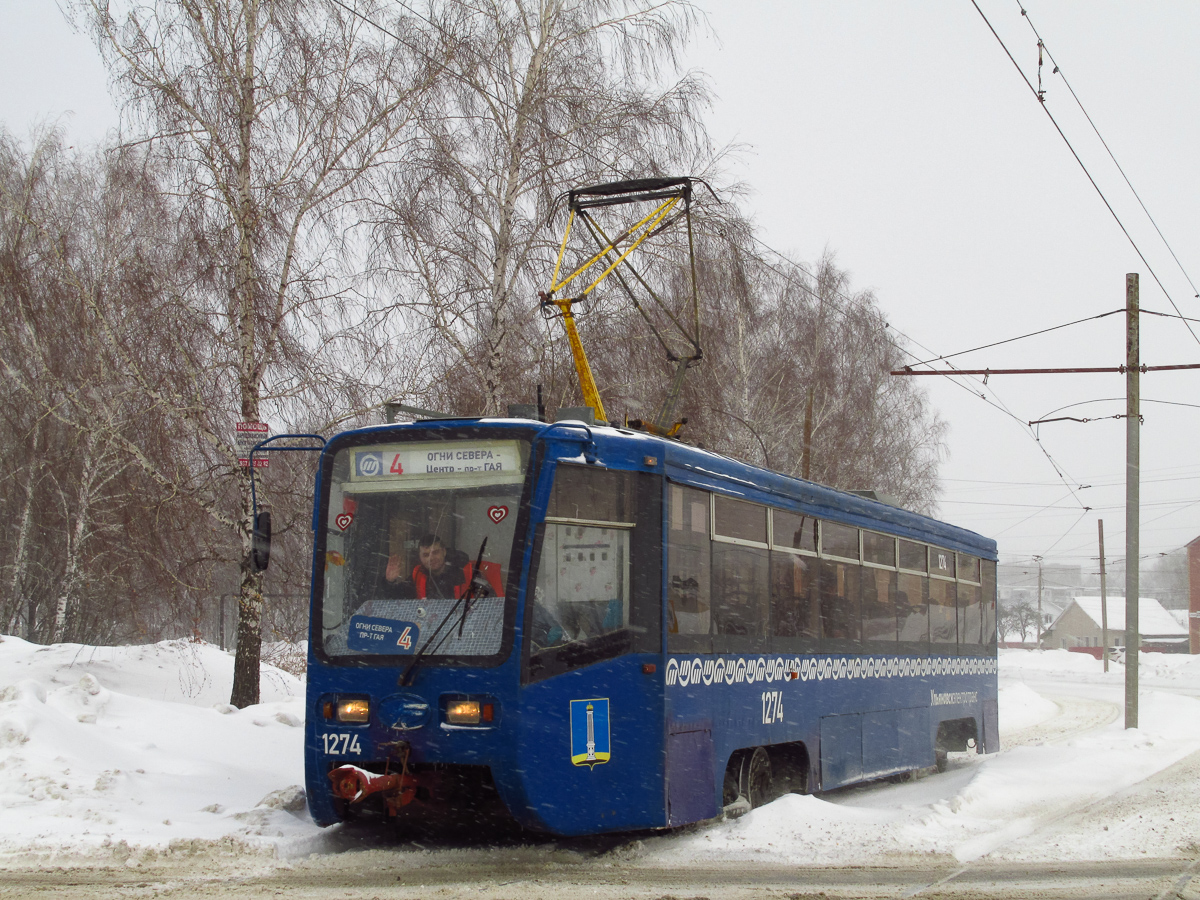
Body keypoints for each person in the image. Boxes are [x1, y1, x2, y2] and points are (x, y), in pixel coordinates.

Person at [385, 533, 503, 600]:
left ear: (444, 552)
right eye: (426, 555)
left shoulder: (468, 572)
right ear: (420, 558)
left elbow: (491, 603)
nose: (431, 558)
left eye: (435, 552)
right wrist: (389, 582)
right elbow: (398, 600)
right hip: (432, 631)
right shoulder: (418, 574)